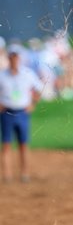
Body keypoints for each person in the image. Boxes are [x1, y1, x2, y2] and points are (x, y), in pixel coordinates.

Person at [0, 45, 43, 182]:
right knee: (6, 144)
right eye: (12, 56)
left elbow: (38, 89)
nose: (14, 59)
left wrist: (33, 104)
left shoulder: (27, 74)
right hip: (6, 112)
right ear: (9, 58)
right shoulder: (2, 75)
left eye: (16, 56)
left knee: (23, 144)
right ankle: (7, 175)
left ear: (19, 58)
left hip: (22, 113)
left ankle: (25, 173)